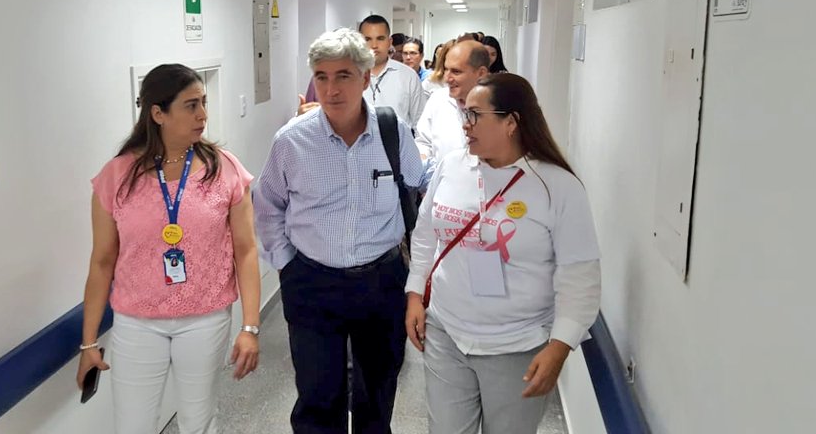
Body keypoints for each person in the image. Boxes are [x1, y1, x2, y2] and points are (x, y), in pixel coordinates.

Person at [404, 73, 601, 434]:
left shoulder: (556, 186)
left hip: (517, 344)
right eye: (465, 113)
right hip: (447, 332)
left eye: (476, 115)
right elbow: (425, 233)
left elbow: (580, 275)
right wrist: (416, 294)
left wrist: (559, 347)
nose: (466, 124)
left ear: (511, 122)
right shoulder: (452, 166)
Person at [254, 28, 423, 434]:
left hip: (381, 281)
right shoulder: (291, 142)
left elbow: (417, 185)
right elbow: (267, 207)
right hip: (313, 282)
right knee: (317, 397)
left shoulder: (391, 131)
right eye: (322, 76)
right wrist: (286, 264)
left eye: (343, 75)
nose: (331, 88)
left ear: (366, 78)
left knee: (377, 393)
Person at [79, 64, 262, 434]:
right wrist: (88, 344)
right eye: (191, 105)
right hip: (137, 322)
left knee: (198, 422)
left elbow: (245, 250)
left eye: (204, 103)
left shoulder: (223, 169)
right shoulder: (116, 176)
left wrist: (250, 327)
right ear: (158, 113)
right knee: (133, 426)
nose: (203, 115)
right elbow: (101, 263)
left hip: (205, 318)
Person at [415, 40, 491, 171]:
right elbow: (423, 143)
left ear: (481, 73)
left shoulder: (498, 105)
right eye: (446, 70)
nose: (447, 78)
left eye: (456, 72)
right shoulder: (437, 100)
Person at [360, 15, 427, 127]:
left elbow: (420, 125)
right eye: (367, 39)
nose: (374, 45)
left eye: (380, 38)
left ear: (389, 42)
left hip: (400, 144)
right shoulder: (350, 76)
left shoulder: (408, 76)